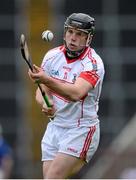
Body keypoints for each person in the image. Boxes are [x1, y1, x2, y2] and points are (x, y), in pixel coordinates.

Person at [28, 13, 105, 179]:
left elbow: (77, 93)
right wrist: (44, 103)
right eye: (70, 32)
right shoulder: (52, 56)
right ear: (64, 32)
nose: (73, 38)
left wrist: (46, 79)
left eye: (79, 34)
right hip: (55, 127)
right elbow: (42, 90)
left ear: (88, 38)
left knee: (53, 176)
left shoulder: (93, 63)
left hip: (81, 129)